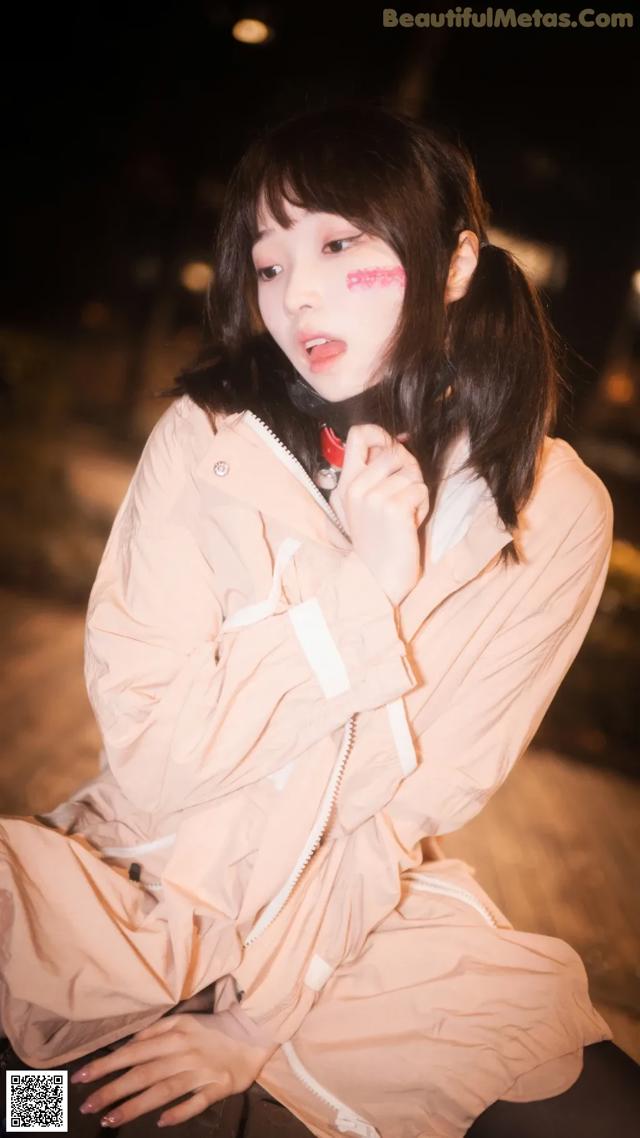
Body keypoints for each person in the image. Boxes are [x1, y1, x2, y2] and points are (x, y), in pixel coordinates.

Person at [0, 102, 638, 1137]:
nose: (297, 294)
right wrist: (360, 594)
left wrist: (257, 1022)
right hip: (148, 883)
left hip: (355, 924)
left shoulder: (551, 511)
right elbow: (158, 756)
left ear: (456, 262)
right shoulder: (206, 439)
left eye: (341, 244)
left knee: (598, 1110)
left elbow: (407, 803)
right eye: (267, 260)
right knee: (37, 1109)